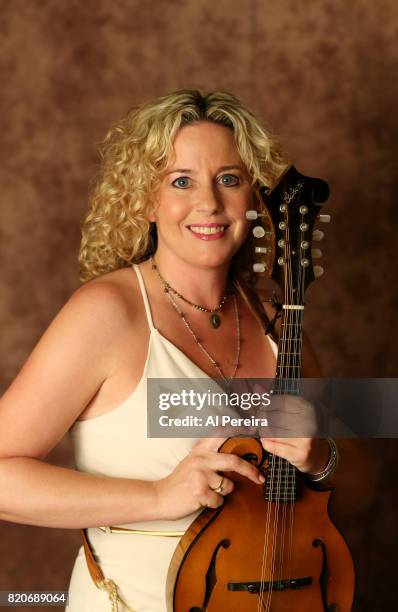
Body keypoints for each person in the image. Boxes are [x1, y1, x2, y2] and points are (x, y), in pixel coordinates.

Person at [0, 89, 335, 611]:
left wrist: (320, 457)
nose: (209, 203)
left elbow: (362, 481)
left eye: (229, 179)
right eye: (182, 181)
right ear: (146, 201)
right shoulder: (107, 313)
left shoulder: (278, 317)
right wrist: (158, 497)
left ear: (254, 199)